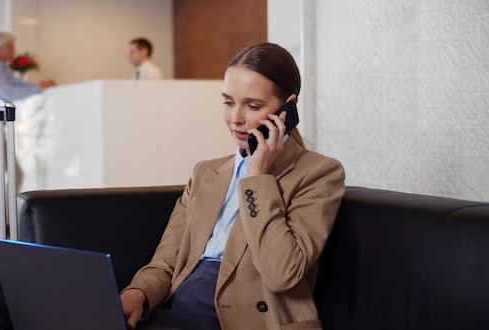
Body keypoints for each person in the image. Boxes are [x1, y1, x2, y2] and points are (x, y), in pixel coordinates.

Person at [120, 42, 346, 330]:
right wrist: (138, 292)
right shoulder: (206, 172)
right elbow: (167, 261)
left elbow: (282, 274)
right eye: (228, 102)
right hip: (179, 311)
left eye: (253, 105)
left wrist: (257, 178)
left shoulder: (319, 174)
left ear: (288, 107)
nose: (235, 118)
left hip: (248, 319)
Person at [0, 32, 56, 238]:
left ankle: (7, 221)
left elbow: (15, 85)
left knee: (16, 172)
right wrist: (37, 87)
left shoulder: (2, 69)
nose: (13, 51)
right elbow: (5, 91)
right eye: (10, 47)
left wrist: (39, 86)